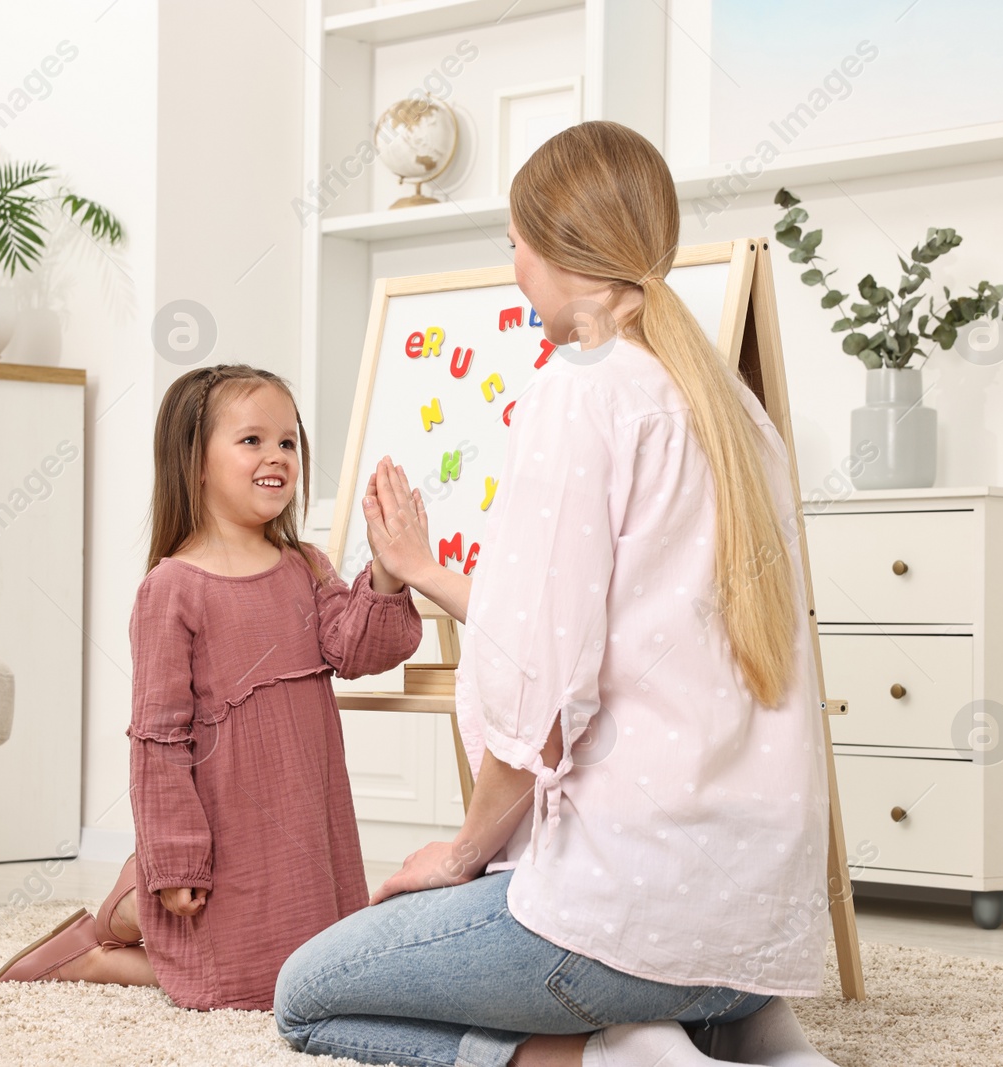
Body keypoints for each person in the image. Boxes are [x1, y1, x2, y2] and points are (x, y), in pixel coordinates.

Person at [273, 120, 840, 1066]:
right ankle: (738, 1035)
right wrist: (424, 571)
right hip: (755, 933)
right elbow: (606, 628)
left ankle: (617, 1054)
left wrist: (457, 856)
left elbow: (536, 695)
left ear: (542, 243)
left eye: (511, 242)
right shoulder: (736, 411)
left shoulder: (580, 390)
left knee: (307, 997)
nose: (512, 267)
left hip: (625, 922)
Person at [0, 364, 425, 1011]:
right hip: (222, 832)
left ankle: (129, 906)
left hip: (303, 825)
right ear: (195, 462)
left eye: (287, 441)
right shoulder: (172, 588)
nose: (277, 456)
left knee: (319, 973)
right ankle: (113, 928)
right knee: (244, 988)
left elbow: (358, 647)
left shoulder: (306, 566)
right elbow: (158, 739)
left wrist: (389, 572)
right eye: (251, 440)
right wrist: (176, 861)